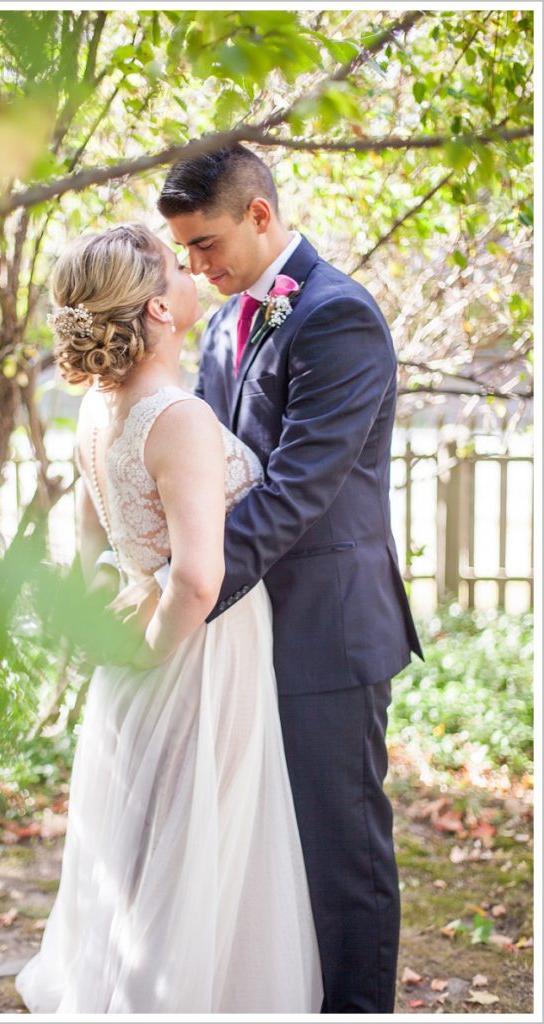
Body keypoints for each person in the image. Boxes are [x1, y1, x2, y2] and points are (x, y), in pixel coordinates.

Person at [14, 224, 324, 1013]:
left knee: (147, 842)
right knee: (196, 841)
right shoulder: (175, 416)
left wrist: (119, 639)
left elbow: (91, 555)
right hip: (195, 654)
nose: (191, 269)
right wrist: (155, 651)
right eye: (172, 264)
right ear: (158, 307)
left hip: (134, 652)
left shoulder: (97, 411)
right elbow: (195, 579)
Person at [151, 144, 425, 1014]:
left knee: (340, 861)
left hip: (326, 635)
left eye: (204, 244)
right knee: (267, 852)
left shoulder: (340, 317)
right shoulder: (231, 320)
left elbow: (292, 491)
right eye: (183, 251)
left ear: (260, 216)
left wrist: (183, 604)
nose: (194, 265)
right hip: (247, 634)